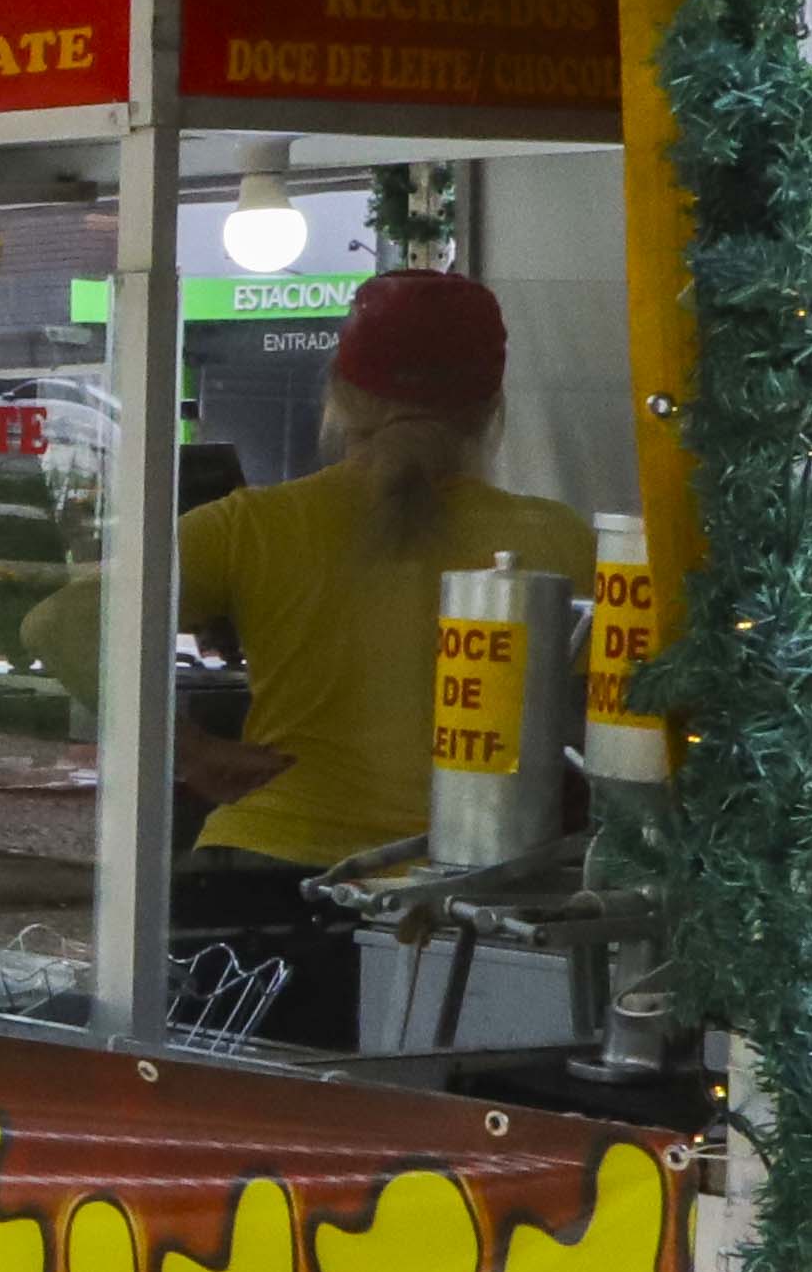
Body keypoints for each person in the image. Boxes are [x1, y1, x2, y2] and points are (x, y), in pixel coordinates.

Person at [152, 266, 592, 1045]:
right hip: (459, 904)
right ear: (489, 407)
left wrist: (188, 748)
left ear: (339, 393)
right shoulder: (557, 539)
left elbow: (61, 621)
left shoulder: (254, 523)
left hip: (256, 889)